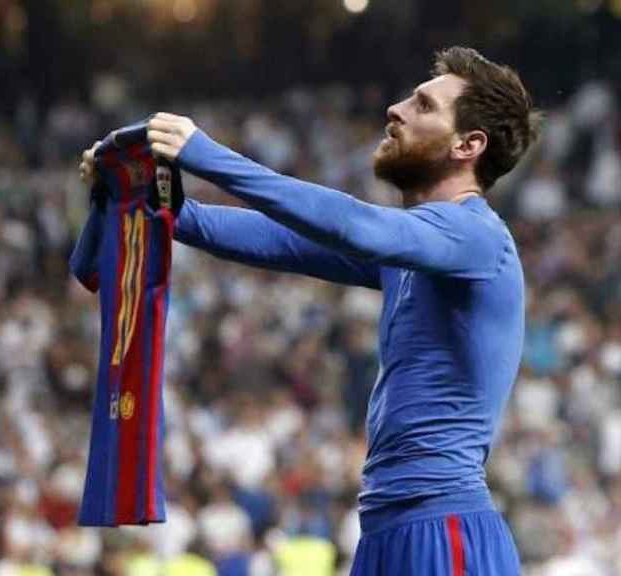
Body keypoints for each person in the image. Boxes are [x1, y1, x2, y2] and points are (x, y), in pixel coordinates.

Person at [80, 45, 539, 575]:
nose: (396, 110)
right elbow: (279, 241)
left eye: (423, 106)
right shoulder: (413, 250)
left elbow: (353, 225)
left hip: (446, 530)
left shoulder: (476, 237)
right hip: (387, 529)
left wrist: (206, 155)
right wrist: (154, 204)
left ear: (469, 144)